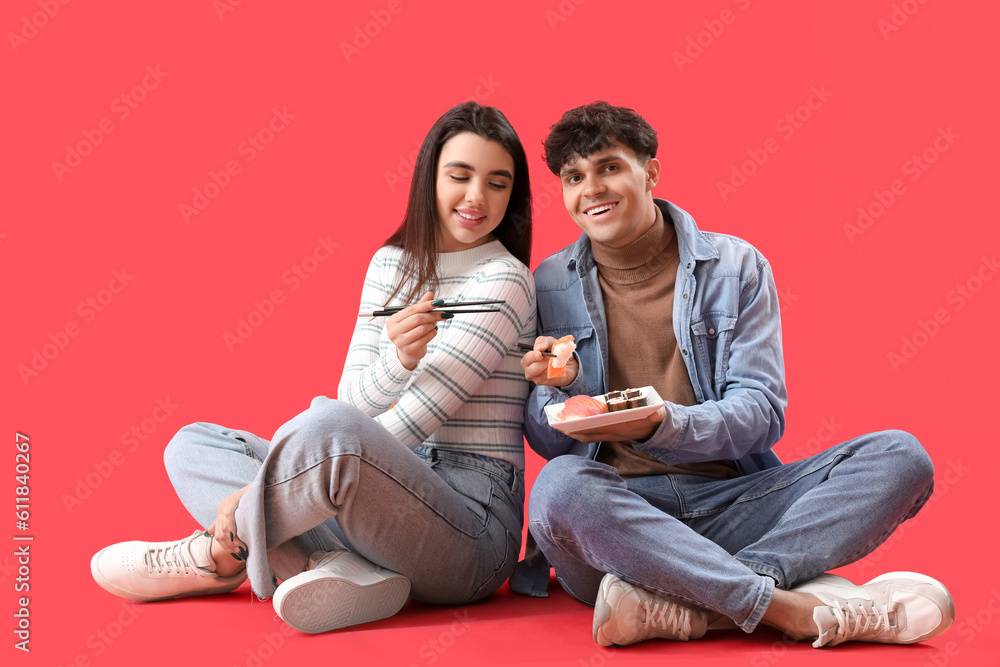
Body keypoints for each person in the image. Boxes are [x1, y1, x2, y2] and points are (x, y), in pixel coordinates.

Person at [512, 101, 954, 649]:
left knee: (901, 456)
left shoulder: (737, 267)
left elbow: (762, 415)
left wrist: (661, 425)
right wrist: (558, 387)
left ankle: (704, 603)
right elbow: (550, 441)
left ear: (649, 170)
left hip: (735, 505)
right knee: (558, 489)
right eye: (574, 177)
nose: (591, 190)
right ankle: (787, 609)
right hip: (619, 523)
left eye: (608, 167)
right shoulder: (549, 282)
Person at [90, 102, 537, 634]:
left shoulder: (505, 281)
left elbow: (408, 421)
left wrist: (268, 481)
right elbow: (353, 399)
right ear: (429, 178)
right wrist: (397, 360)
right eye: (459, 176)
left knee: (329, 429)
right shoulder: (389, 264)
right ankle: (325, 570)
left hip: (471, 530)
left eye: (497, 183)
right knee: (192, 444)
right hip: (373, 499)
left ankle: (218, 554)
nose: (475, 198)